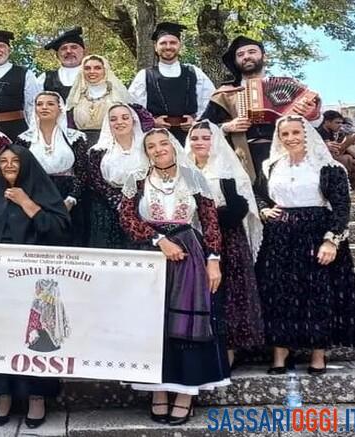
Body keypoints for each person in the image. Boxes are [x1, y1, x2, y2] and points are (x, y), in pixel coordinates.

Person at [119, 128, 228, 426]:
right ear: (146, 152)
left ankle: (185, 393)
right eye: (151, 146)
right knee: (154, 324)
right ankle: (158, 390)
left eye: (163, 143)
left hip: (189, 254)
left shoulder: (193, 177)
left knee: (186, 324)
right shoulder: (137, 179)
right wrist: (159, 240)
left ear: (173, 146)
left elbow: (210, 221)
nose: (158, 149)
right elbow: (127, 217)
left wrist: (213, 261)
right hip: (151, 254)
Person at [254, 115, 355, 375]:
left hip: (316, 233)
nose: (291, 138)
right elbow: (258, 195)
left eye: (296, 132)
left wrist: (331, 240)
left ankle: (319, 354)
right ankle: (280, 353)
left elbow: (341, 207)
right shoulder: (271, 166)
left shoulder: (328, 167)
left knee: (318, 292)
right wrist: (264, 210)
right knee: (279, 293)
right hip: (280, 236)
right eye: (285, 134)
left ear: (306, 134)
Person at [0, 144, 70, 429]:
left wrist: (27, 204)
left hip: (34, 283)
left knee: (36, 337)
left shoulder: (44, 194)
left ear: (27, 165)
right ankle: (2, 395)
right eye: (3, 161)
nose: (9, 165)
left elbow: (60, 231)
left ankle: (37, 397)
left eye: (15, 161)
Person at [185, 121, 265, 367]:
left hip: (227, 240)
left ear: (215, 140)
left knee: (229, 294)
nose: (199, 142)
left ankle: (229, 351)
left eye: (205, 137)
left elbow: (239, 208)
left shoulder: (227, 171)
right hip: (193, 239)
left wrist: (210, 216)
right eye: (195, 138)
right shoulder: (184, 170)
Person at [202, 36, 321, 181]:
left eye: (252, 52)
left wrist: (312, 114)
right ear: (235, 61)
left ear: (264, 57)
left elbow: (316, 124)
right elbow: (201, 127)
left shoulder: (289, 86)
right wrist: (227, 127)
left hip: (287, 153)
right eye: (240, 55)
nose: (246, 56)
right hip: (243, 157)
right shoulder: (226, 94)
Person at [13, 91, 88, 245]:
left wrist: (71, 198)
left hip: (67, 194)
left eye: (50, 104)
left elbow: (82, 172)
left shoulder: (75, 137)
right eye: (39, 104)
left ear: (60, 108)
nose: (44, 107)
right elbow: (20, 172)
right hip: (35, 194)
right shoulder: (24, 139)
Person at [129, 22, 215, 144]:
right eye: (163, 43)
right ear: (155, 47)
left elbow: (210, 101)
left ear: (180, 45)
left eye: (173, 43)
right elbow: (133, 107)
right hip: (157, 139)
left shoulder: (194, 72)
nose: (168, 47)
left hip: (191, 138)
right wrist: (153, 122)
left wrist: (196, 121)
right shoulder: (145, 75)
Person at [85, 103, 153, 249]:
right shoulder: (98, 151)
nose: (119, 122)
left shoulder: (147, 147)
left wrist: (133, 203)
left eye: (125, 118)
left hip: (142, 204)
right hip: (108, 208)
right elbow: (96, 182)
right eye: (113, 119)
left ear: (133, 120)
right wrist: (118, 202)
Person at [66, 55, 131, 145]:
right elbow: (69, 125)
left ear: (105, 70)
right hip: (81, 146)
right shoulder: (76, 97)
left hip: (112, 144)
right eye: (87, 68)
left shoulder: (117, 96)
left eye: (97, 68)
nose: (92, 72)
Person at [317, 110, 355, 188]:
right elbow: (336, 153)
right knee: (347, 159)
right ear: (327, 122)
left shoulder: (330, 132)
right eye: (337, 123)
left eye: (341, 123)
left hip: (328, 161)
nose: (340, 125)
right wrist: (351, 139)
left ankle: (350, 188)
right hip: (321, 163)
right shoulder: (321, 132)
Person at [38, 27, 85, 101]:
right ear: (57, 55)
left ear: (84, 52)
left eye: (74, 47)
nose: (69, 51)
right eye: (64, 48)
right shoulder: (45, 78)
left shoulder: (97, 75)